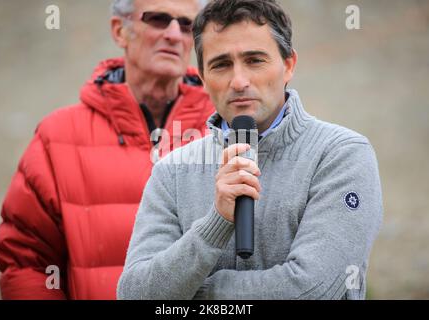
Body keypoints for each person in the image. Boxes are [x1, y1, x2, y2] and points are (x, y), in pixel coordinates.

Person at [117, 0, 383, 300]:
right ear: (203, 78)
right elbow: (136, 294)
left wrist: (194, 295)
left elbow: (312, 289)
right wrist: (217, 221)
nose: (239, 81)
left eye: (255, 60)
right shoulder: (171, 171)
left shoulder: (341, 155)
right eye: (221, 64)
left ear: (289, 65)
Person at [0, 0, 213, 300]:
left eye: (187, 24)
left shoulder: (224, 133)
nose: (174, 34)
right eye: (158, 19)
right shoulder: (57, 136)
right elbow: (27, 260)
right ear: (120, 31)